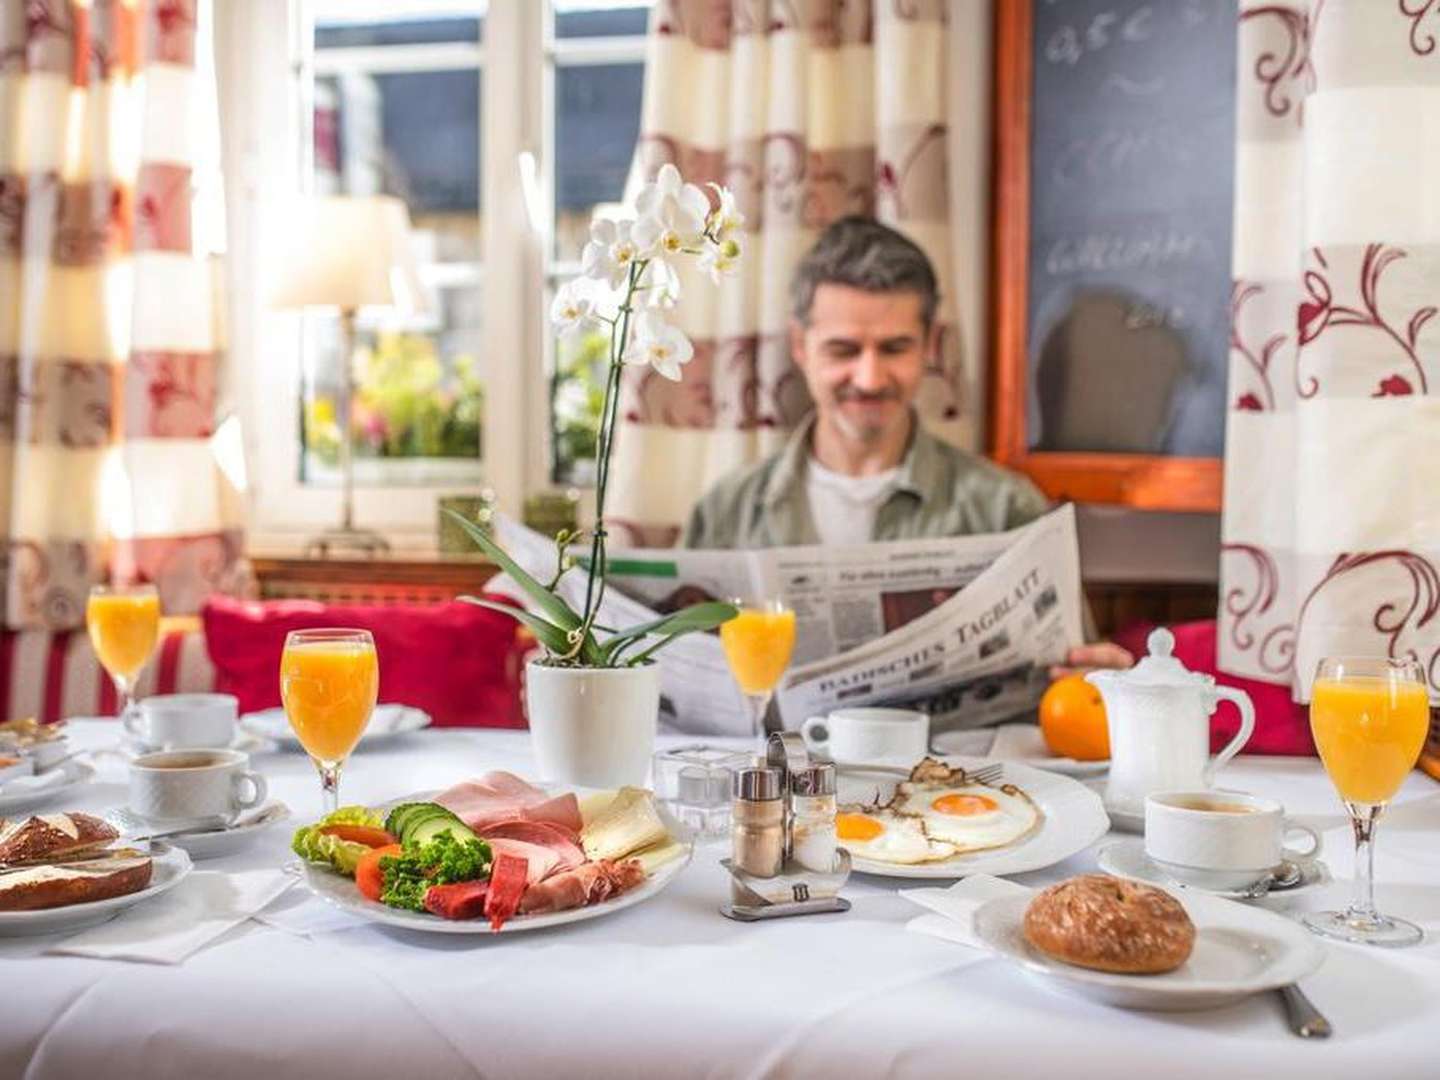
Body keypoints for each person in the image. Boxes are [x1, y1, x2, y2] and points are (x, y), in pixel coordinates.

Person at [682, 216, 1129, 675]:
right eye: (844, 350)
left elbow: (1076, 675)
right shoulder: (725, 510)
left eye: (894, 348)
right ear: (801, 346)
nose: (870, 378)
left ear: (930, 346)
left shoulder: (1007, 508)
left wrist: (1101, 683)